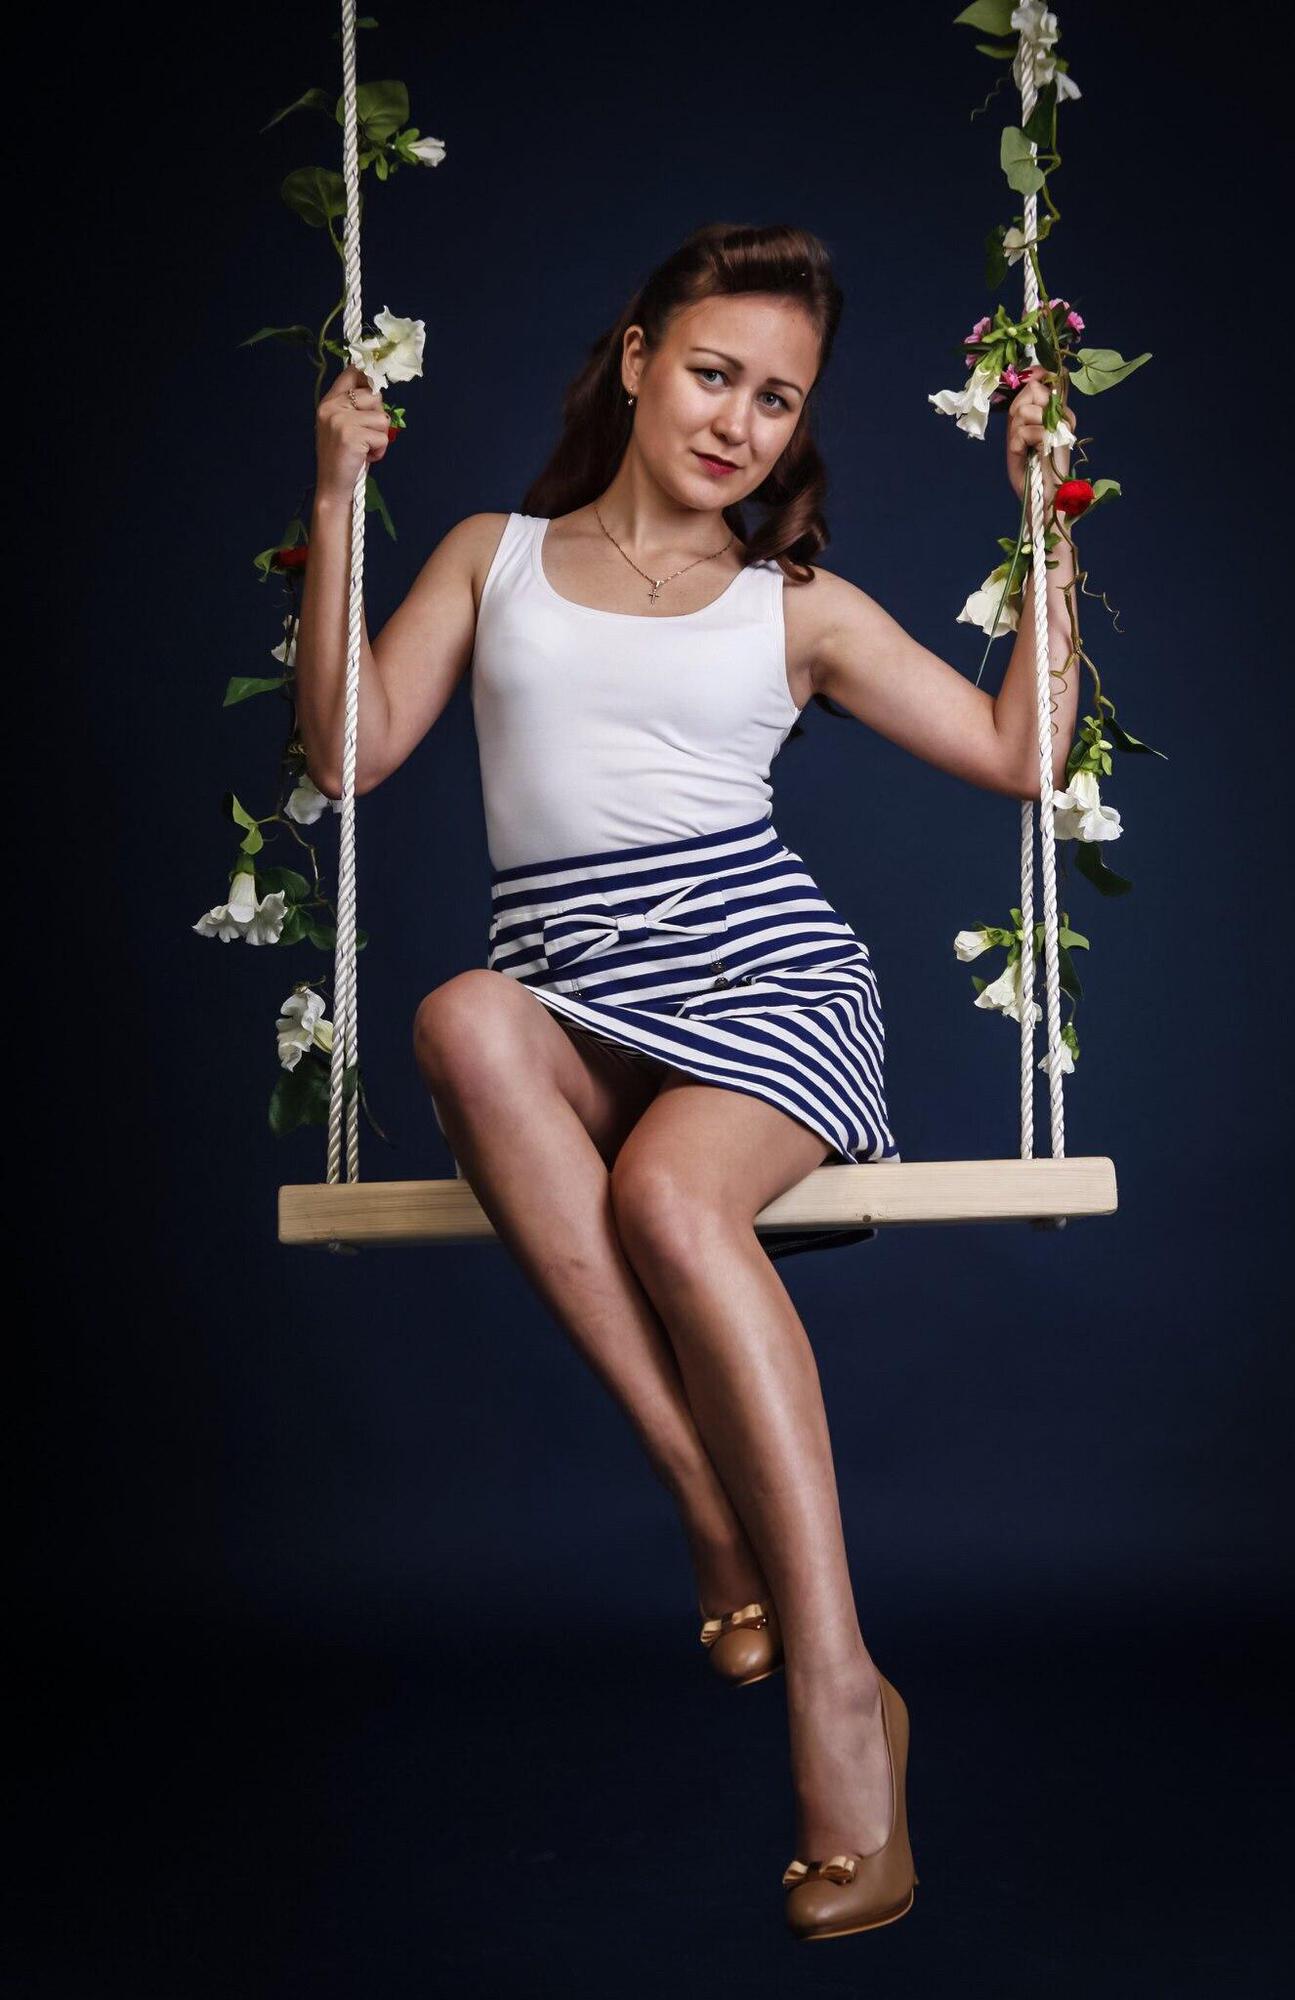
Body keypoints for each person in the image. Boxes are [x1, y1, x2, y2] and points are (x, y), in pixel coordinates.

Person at [294, 221, 1079, 1941]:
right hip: (573, 999)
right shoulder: (494, 558)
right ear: (640, 359)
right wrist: (341, 494)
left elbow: (1021, 754)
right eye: (714, 374)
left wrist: (1045, 518)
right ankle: (703, 1495)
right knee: (458, 1018)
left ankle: (840, 1695)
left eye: (776, 399)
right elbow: (349, 752)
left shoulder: (792, 607)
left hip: (768, 988)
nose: (739, 421)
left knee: (666, 1196)